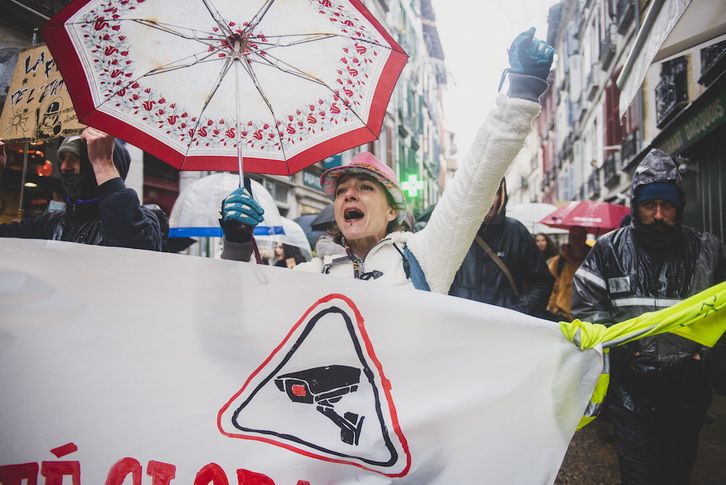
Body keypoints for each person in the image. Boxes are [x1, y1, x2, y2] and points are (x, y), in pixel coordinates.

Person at [219, 28, 554, 293]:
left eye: (365, 187)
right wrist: (236, 245)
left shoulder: (423, 260)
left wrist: (522, 93)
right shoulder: (308, 275)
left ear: (393, 210)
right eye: (341, 192)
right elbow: (244, 317)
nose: (348, 195)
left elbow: (473, 185)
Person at [571, 148, 726, 485]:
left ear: (679, 206)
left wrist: (705, 359)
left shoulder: (708, 249)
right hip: (632, 392)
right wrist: (627, 352)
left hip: (688, 392)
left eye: (667, 205)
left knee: (677, 472)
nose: (658, 214)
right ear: (635, 205)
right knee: (639, 475)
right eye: (649, 205)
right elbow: (588, 306)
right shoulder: (607, 250)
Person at [0, 128, 162, 250]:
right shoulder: (51, 223)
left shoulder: (146, 220)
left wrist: (103, 165)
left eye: (77, 158)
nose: (64, 167)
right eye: (63, 158)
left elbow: (136, 250)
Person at [448, 178, 555, 318]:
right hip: (462, 326)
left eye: (492, 192)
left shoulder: (516, 232)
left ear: (501, 195)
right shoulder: (452, 233)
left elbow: (542, 282)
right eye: (480, 193)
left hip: (506, 329)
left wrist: (516, 312)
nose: (486, 200)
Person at [546, 225, 590, 321]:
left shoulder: (592, 260)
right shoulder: (559, 261)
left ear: (585, 238)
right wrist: (554, 308)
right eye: (574, 237)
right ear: (569, 238)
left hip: (587, 314)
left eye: (580, 237)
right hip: (562, 315)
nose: (577, 240)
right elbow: (549, 284)